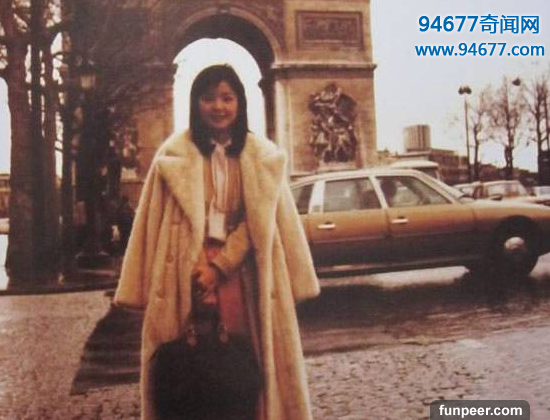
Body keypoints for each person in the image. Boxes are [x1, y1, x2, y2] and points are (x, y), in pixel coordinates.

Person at [114, 64, 320, 420]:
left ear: (240, 102)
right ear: (195, 103)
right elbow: (150, 224)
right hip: (186, 275)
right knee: (191, 373)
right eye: (208, 98)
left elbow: (264, 222)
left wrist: (220, 265)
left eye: (227, 98)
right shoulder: (171, 156)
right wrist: (187, 268)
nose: (218, 106)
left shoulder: (263, 156)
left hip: (242, 276)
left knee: (241, 368)